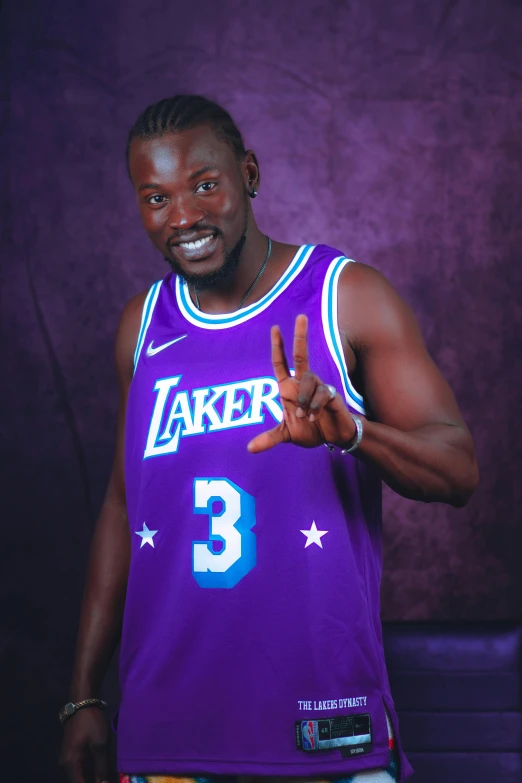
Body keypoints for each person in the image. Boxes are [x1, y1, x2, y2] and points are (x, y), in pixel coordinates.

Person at [58, 95, 478, 783]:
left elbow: (459, 469)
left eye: (204, 184)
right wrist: (83, 693)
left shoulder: (346, 294)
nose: (184, 216)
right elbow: (120, 505)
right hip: (170, 732)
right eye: (155, 197)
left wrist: (356, 432)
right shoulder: (142, 325)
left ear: (248, 173)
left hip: (326, 728)